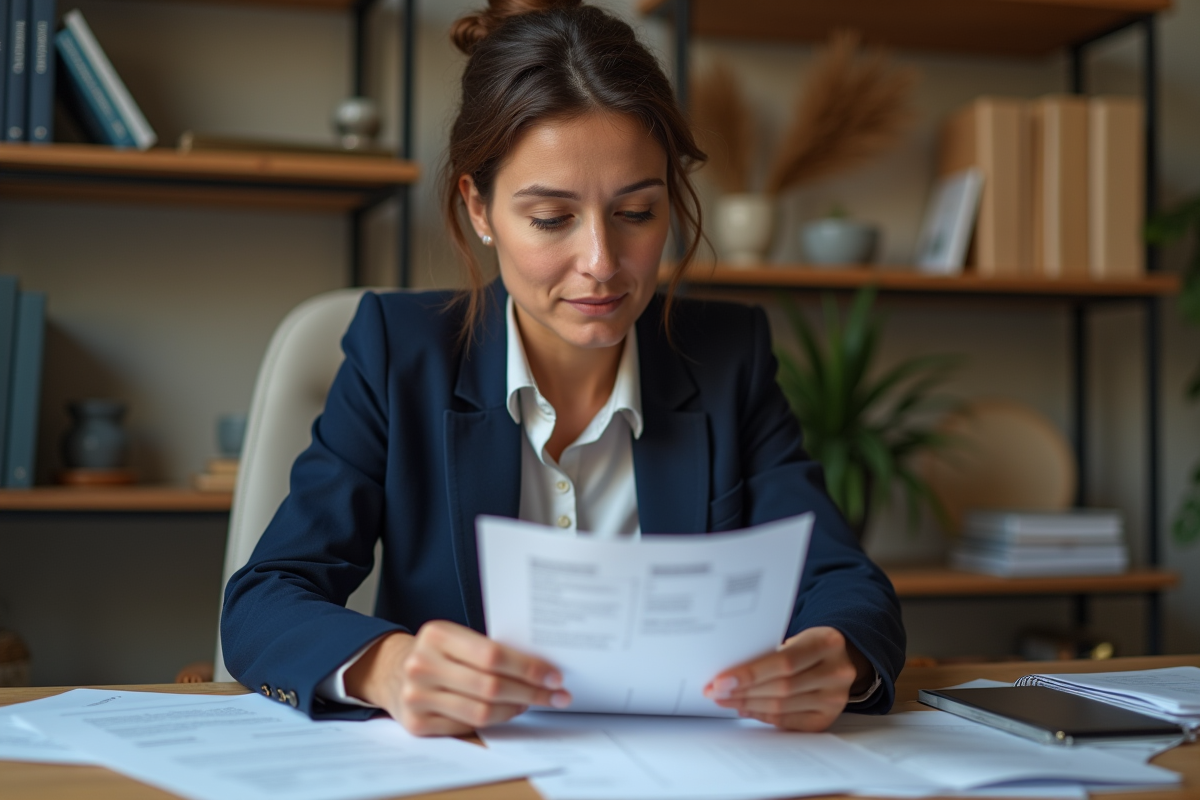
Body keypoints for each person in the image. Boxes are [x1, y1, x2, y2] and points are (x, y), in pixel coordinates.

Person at [221, 0, 904, 737]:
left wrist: (834, 658)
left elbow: (846, 584)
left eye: (637, 213)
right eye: (552, 219)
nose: (602, 264)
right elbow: (266, 598)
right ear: (479, 208)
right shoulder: (399, 352)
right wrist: (387, 668)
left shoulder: (728, 358)